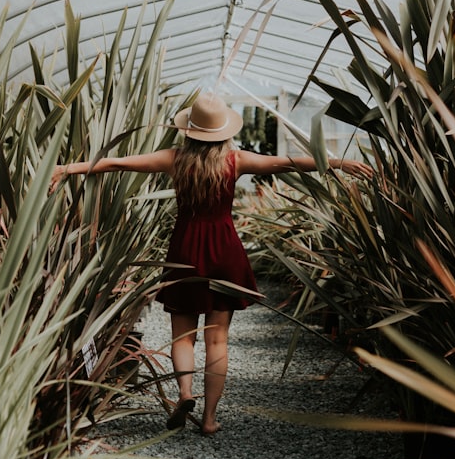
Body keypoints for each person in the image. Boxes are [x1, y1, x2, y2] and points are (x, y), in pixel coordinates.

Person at [51, 92, 373, 435]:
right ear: (223, 131)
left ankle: (185, 393)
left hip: (185, 251)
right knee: (217, 340)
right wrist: (338, 164)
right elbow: (286, 163)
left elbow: (118, 162)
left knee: (184, 336)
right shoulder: (235, 160)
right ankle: (208, 419)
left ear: (190, 130)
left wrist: (68, 168)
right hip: (225, 252)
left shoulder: (174, 159)